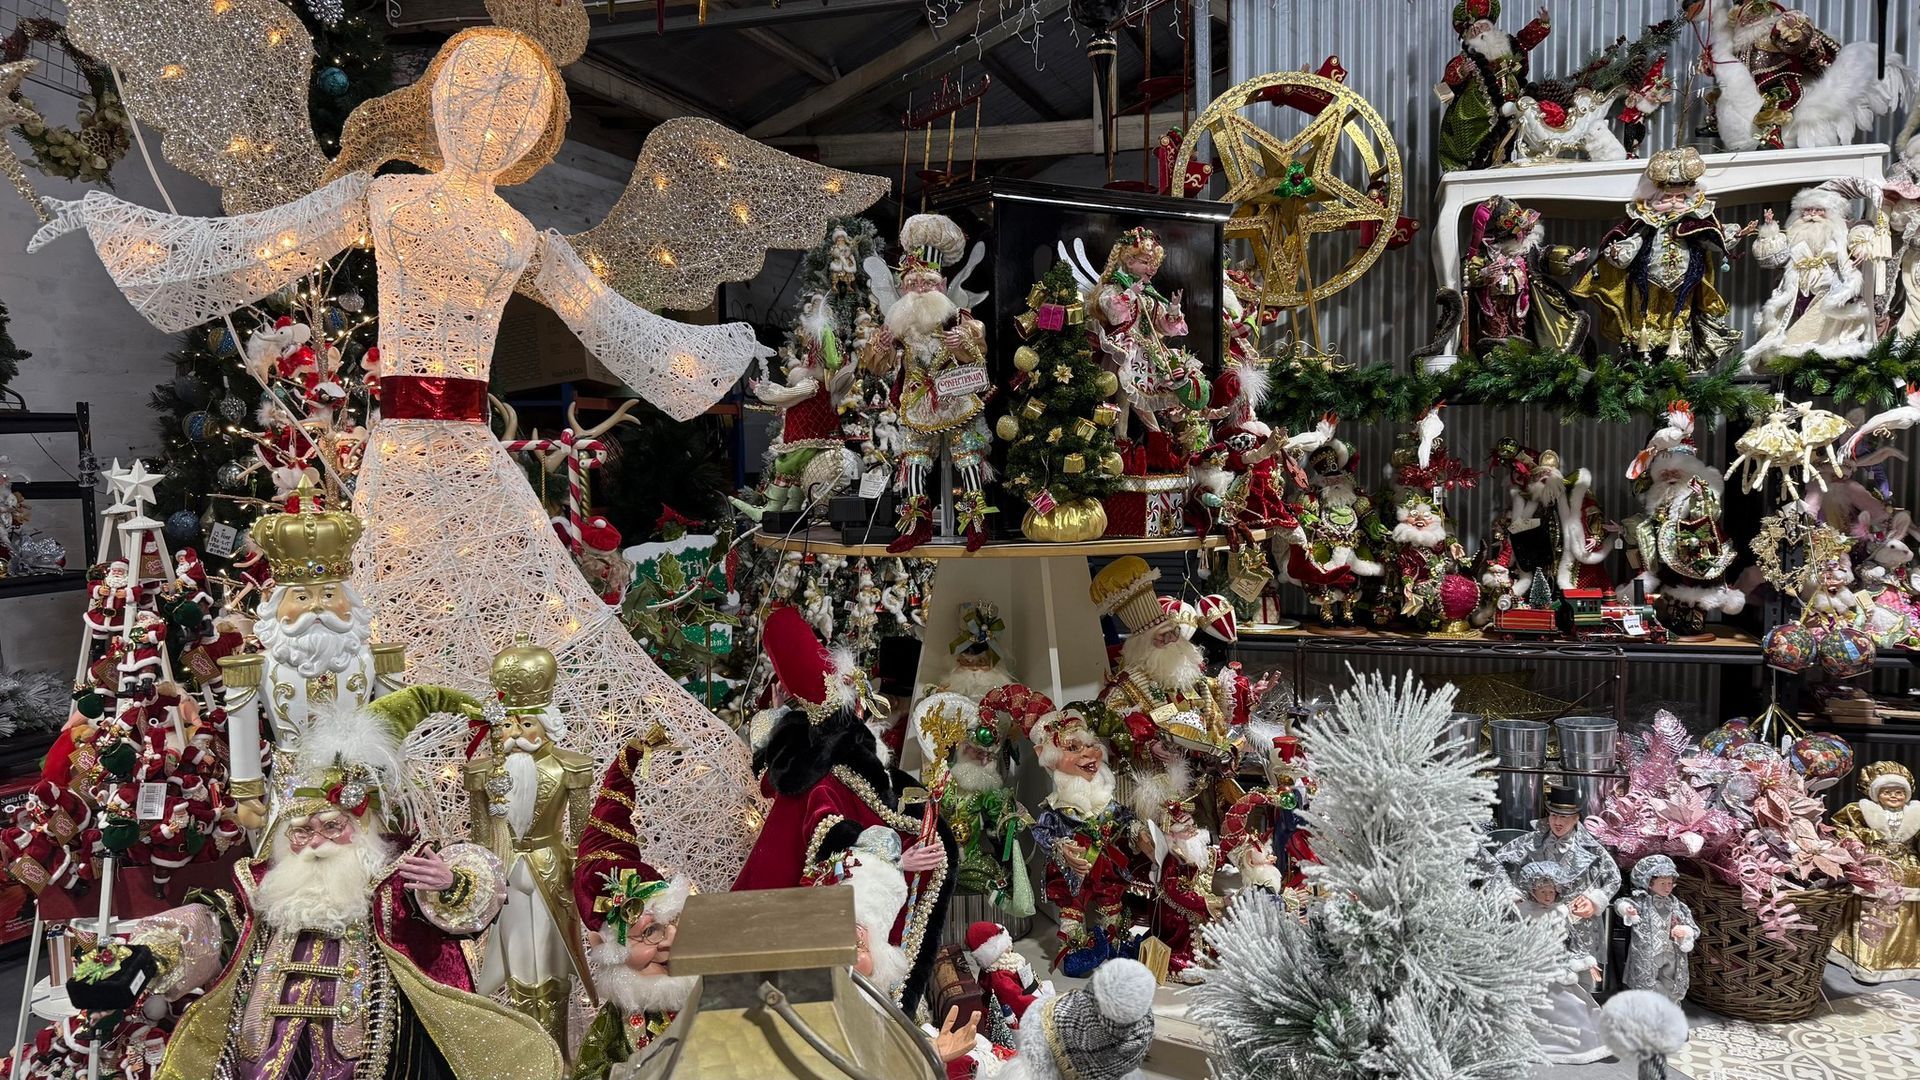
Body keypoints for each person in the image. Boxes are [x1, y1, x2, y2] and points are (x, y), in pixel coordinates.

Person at [99, 707, 559, 1080]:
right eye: (301, 832)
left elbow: (471, 897)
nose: (314, 841)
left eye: (331, 826)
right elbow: (212, 922)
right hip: (265, 1047)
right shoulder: (265, 883)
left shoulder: (396, 873)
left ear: (359, 827)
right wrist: (147, 953)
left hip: (384, 1040)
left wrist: (452, 883)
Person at [731, 604, 956, 1011]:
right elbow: (826, 828)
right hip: (828, 911)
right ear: (851, 707)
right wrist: (893, 856)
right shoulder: (828, 769)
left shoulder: (829, 754)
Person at [464, 637, 597, 1055]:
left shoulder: (570, 767)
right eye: (509, 724)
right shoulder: (483, 771)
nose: (516, 734)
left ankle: (555, 1053)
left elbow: (582, 834)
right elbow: (482, 837)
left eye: (527, 724)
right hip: (506, 877)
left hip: (551, 873)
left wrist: (586, 884)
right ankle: (528, 1056)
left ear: (546, 723)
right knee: (518, 966)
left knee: (553, 967)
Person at [1573, 147, 1747, 368]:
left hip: (1684, 279)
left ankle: (1677, 356)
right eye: (1668, 196)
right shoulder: (1646, 218)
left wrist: (1730, 236)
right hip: (1648, 278)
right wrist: (1619, 252)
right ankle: (1643, 356)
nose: (1674, 201)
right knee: (1644, 313)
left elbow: (1710, 240)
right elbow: (1633, 240)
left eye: (1680, 196)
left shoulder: (1696, 219)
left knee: (1678, 315)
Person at [1026, 704, 1139, 976]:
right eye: (1074, 748)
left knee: (1112, 903)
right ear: (1049, 759)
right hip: (1073, 873)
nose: (1089, 754)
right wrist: (1061, 848)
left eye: (1091, 745)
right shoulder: (1056, 808)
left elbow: (1124, 818)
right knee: (1072, 909)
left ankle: (1115, 942)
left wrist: (1138, 831)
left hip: (1107, 865)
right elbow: (1043, 832)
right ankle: (1076, 950)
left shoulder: (1106, 800)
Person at [1492, 784, 1620, 976]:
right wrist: (1513, 896)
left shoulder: (1591, 848)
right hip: (1537, 922)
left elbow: (1613, 877)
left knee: (1578, 981)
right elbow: (1496, 865)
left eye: (1564, 817)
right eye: (1554, 815)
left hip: (1577, 923)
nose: (1557, 822)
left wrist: (1594, 901)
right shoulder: (1530, 842)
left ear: (1576, 819)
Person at [1744, 185, 1877, 368]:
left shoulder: (1841, 232)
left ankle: (1816, 354)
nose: (1812, 215)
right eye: (1807, 210)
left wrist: (1862, 242)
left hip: (1828, 286)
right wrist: (1770, 231)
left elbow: (1863, 230)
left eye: (1818, 210)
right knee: (1788, 326)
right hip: (1798, 288)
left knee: (1822, 322)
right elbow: (1773, 260)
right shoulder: (1792, 234)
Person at [1437, 1, 1553, 172]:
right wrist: (1462, 71)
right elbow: (1449, 78)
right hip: (1479, 111)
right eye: (1473, 30)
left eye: (1483, 26)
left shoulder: (1509, 45)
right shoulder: (1466, 58)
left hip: (1514, 101)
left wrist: (1542, 24)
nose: (1479, 31)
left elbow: (1527, 39)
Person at [1831, 761, 1920, 982]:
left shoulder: (1916, 813)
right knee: (1872, 902)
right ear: (1876, 793)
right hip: (1875, 862)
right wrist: (1862, 841)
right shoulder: (1860, 811)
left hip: (1907, 864)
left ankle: (1907, 957)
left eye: (1899, 792)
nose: (1893, 796)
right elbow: (1842, 829)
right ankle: (1867, 957)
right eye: (1887, 792)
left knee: (1908, 906)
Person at [1515, 861, 1610, 1066]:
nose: (1549, 896)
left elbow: (1574, 940)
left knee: (1573, 1004)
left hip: (1558, 964)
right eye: (1543, 891)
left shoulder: (1560, 912)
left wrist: (1586, 961)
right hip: (1531, 966)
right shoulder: (1523, 912)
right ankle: (1530, 1042)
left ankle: (1576, 1043)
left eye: (1551, 891)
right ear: (1532, 891)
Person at [1614, 854, 1698, 1002]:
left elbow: (1693, 927)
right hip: (1648, 953)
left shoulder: (1677, 905)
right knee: (1647, 984)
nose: (1667, 888)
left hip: (1672, 951)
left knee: (1670, 983)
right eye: (1663, 884)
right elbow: (1621, 903)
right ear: (1649, 884)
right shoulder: (1642, 902)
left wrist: (1685, 931)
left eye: (1670, 883)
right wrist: (1627, 909)